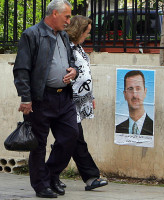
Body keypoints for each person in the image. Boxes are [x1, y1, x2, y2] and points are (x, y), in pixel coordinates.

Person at [13, 0, 78, 198]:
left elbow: (71, 60)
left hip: (64, 97)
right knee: (39, 144)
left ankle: (50, 175)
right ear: (55, 14)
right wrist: (26, 97)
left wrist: (73, 71)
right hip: (41, 98)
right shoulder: (32, 34)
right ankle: (41, 185)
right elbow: (22, 68)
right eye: (66, 16)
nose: (69, 21)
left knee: (70, 136)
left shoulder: (64, 36)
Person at [61, 15, 108, 191]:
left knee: (69, 140)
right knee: (74, 138)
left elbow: (85, 73)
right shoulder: (65, 47)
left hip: (80, 101)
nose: (87, 36)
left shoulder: (78, 48)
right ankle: (90, 176)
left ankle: (51, 175)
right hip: (68, 101)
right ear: (78, 30)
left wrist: (90, 97)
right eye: (86, 32)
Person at [115, 70, 153, 135]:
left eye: (138, 89)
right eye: (130, 89)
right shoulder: (118, 129)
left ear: (145, 92)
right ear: (125, 94)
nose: (134, 95)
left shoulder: (154, 127)